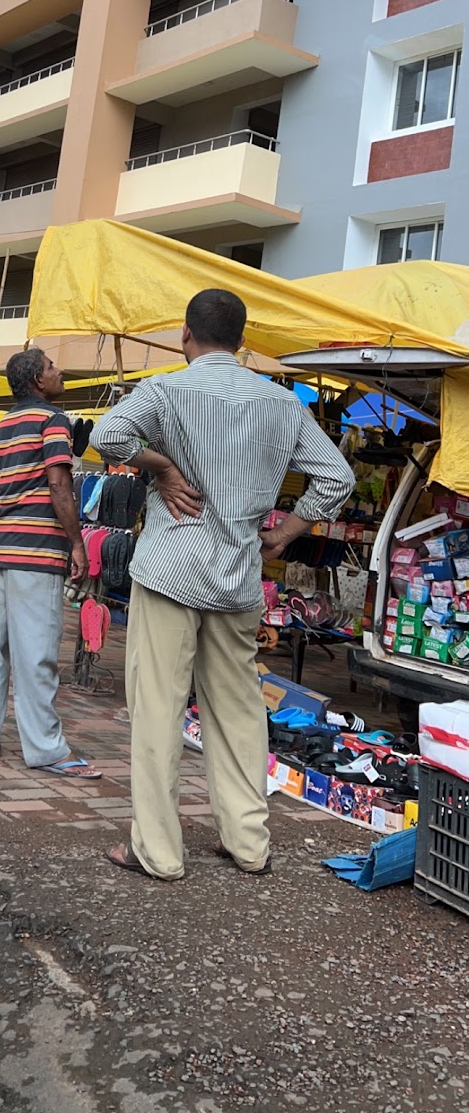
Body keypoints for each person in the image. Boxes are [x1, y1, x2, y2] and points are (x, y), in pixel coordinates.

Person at [90, 288, 355, 881]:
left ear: (187, 334)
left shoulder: (164, 388)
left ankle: (157, 852)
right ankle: (248, 844)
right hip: (239, 574)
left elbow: (106, 437)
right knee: (237, 710)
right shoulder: (281, 402)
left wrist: (160, 468)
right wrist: (283, 534)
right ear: (242, 339)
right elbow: (336, 477)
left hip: (169, 567)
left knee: (157, 707)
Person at [0, 349, 101, 779]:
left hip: (1, 547)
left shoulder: (4, 425)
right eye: (53, 367)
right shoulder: (53, 420)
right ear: (39, 381)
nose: (60, 371)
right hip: (37, 551)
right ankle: (45, 749)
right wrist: (77, 544)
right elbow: (59, 485)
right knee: (37, 650)